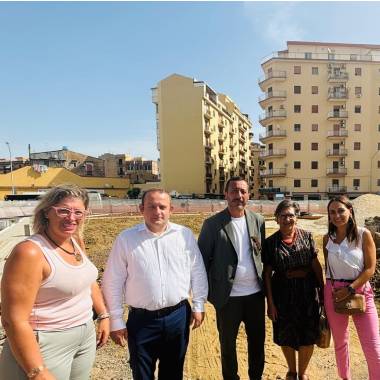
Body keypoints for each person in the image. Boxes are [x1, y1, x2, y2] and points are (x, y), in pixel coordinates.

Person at [0, 184, 109, 380]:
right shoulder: (30, 252)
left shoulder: (74, 240)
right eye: (63, 211)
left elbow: (88, 281)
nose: (71, 217)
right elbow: (13, 320)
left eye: (78, 212)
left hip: (83, 335)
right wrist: (37, 371)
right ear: (47, 212)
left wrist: (103, 315)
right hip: (45, 342)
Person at [102, 188, 208, 380]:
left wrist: (199, 304)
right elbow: (112, 281)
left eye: (162, 207)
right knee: (142, 374)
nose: (157, 212)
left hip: (178, 317)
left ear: (171, 210)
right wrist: (116, 320)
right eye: (151, 206)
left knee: (173, 373)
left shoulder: (184, 235)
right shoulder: (126, 239)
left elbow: (197, 271)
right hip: (142, 322)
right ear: (142, 209)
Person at [198, 177, 265, 380]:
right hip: (228, 299)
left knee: (257, 343)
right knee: (227, 345)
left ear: (249, 195)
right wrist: (208, 294)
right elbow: (201, 262)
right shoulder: (212, 225)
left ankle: (256, 377)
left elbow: (260, 254)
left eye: (243, 191)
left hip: (255, 296)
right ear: (226, 194)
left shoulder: (258, 220)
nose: (239, 196)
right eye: (234, 191)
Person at [263, 200, 323, 380]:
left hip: (307, 296)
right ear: (276, 219)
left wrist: (323, 292)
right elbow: (267, 274)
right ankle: (292, 371)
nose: (287, 219)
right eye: (283, 215)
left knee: (308, 334)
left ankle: (303, 373)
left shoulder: (308, 236)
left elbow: (316, 267)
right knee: (285, 334)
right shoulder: (270, 243)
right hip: (282, 297)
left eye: (291, 215)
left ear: (297, 218)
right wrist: (270, 303)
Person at [323, 195, 380, 380]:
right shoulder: (326, 239)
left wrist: (350, 289)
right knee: (340, 344)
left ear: (350, 210)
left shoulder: (363, 234)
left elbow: (370, 268)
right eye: (332, 212)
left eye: (341, 210)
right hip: (334, 294)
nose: (337, 215)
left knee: (373, 346)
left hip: (360, 291)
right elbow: (328, 269)